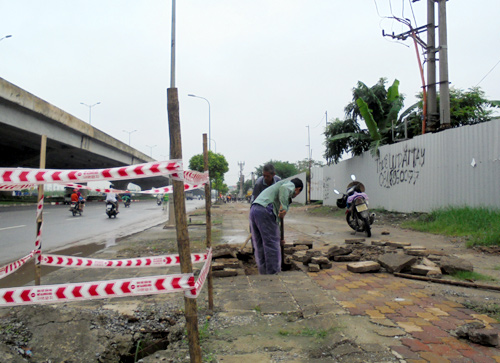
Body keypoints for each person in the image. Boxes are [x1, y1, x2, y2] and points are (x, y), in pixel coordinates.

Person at [249, 178, 303, 275]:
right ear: (298, 189)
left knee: (260, 244)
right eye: (297, 193)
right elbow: (284, 189)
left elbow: (274, 222)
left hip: (255, 209)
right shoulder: (289, 185)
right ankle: (273, 275)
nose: (295, 195)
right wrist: (284, 208)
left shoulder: (277, 186)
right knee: (272, 245)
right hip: (266, 209)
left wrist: (277, 237)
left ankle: (264, 274)